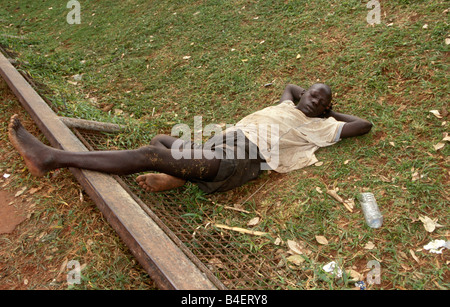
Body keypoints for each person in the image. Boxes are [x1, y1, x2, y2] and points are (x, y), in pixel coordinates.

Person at [8, 83, 372, 194]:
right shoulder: (285, 105)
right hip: (220, 145)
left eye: (323, 101)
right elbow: (289, 88)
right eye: (314, 94)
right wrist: (305, 97)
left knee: (150, 152)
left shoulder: (321, 126)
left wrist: (328, 115)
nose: (316, 100)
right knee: (162, 139)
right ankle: (179, 177)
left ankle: (52, 158)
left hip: (239, 160)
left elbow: (364, 125)